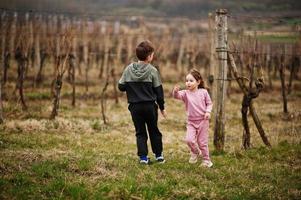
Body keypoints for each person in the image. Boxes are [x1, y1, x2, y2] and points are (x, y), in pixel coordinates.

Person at [118, 40, 166, 164]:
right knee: (154, 130)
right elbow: (159, 91)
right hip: (150, 106)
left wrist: (132, 86)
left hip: (135, 107)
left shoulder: (129, 69)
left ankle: (143, 158)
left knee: (140, 132)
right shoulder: (152, 71)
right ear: (149, 56)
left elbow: (121, 86)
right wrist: (162, 107)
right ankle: (159, 156)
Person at [172, 69, 213, 167]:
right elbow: (176, 96)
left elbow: (209, 103)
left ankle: (207, 160)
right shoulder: (185, 93)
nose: (188, 83)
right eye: (186, 81)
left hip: (203, 121)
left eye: (191, 81)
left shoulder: (203, 92)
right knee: (189, 140)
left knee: (202, 142)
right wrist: (175, 91)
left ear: (198, 82)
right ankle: (195, 152)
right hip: (191, 122)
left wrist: (208, 112)